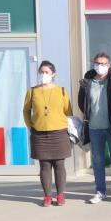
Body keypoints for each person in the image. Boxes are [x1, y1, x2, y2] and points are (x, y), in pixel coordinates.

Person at [78, 52, 111, 204]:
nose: (100, 66)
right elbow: (82, 102)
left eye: (103, 63)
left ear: (109, 65)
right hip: (94, 127)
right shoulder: (88, 81)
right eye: (98, 63)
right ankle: (100, 191)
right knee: (97, 161)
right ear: (93, 64)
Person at [23, 61, 73, 207]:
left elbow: (68, 112)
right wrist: (30, 125)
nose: (43, 75)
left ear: (53, 74)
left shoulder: (62, 91)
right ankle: (47, 196)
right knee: (44, 165)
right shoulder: (32, 91)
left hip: (59, 133)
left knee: (59, 164)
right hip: (39, 134)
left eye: (46, 72)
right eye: (41, 72)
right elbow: (26, 110)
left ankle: (60, 195)